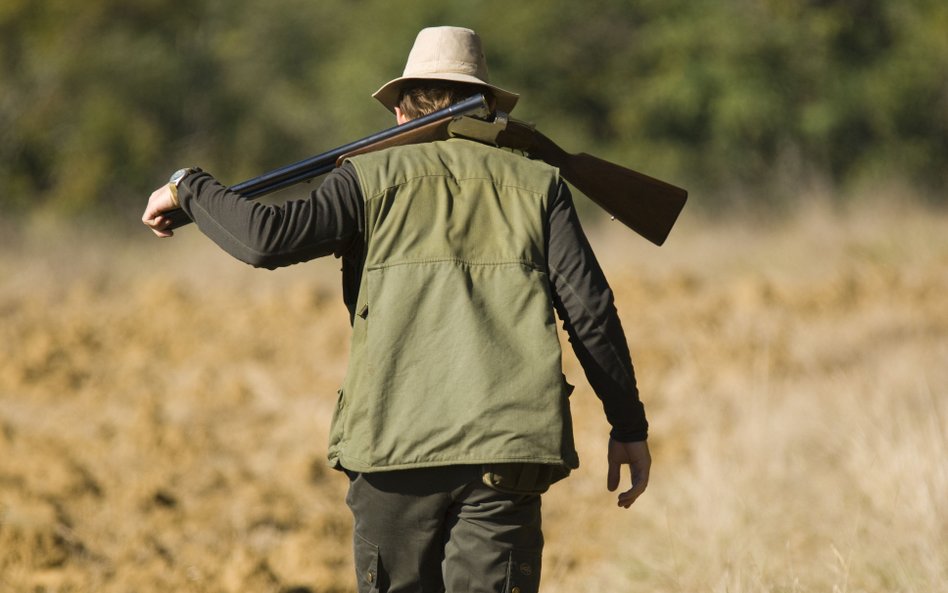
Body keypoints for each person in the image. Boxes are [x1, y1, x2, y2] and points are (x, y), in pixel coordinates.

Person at [143, 25, 651, 593]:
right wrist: (627, 424)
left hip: (392, 449)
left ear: (402, 112)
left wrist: (189, 185)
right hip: (505, 456)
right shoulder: (540, 186)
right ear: (485, 109)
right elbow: (591, 313)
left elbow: (264, 238)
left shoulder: (366, 178)